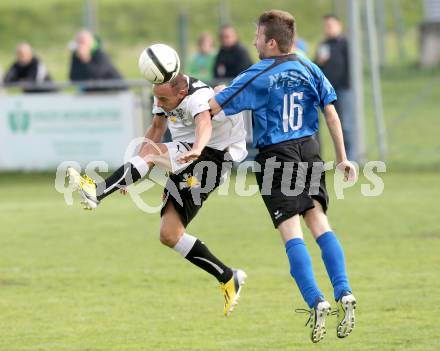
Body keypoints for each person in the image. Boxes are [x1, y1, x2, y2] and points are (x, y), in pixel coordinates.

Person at [191, 10, 357, 343]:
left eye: (256, 36)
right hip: (310, 150)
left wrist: (213, 96)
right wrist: (343, 158)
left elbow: (212, 107)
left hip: (276, 157)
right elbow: (331, 114)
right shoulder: (310, 67)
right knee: (319, 222)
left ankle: (315, 300)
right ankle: (344, 291)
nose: (252, 41)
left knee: (291, 231)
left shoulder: (259, 74)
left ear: (270, 42)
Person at [67, 73, 248, 316]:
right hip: (188, 155)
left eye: (163, 99)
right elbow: (155, 128)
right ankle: (228, 276)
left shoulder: (198, 97)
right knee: (169, 234)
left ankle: (96, 193)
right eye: (156, 98)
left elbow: (204, 124)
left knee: (153, 155)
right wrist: (131, 171)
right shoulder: (164, 95)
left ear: (181, 94)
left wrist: (196, 149)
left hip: (211, 156)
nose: (159, 104)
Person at [315, 15, 355, 161]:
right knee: (323, 126)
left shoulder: (345, 43)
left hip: (343, 90)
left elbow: (352, 66)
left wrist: (348, 85)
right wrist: (319, 61)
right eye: (326, 25)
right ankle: (319, 158)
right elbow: (315, 68)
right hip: (326, 92)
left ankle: (349, 158)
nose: (328, 28)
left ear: (339, 25)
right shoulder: (323, 45)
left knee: (345, 126)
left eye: (331, 25)